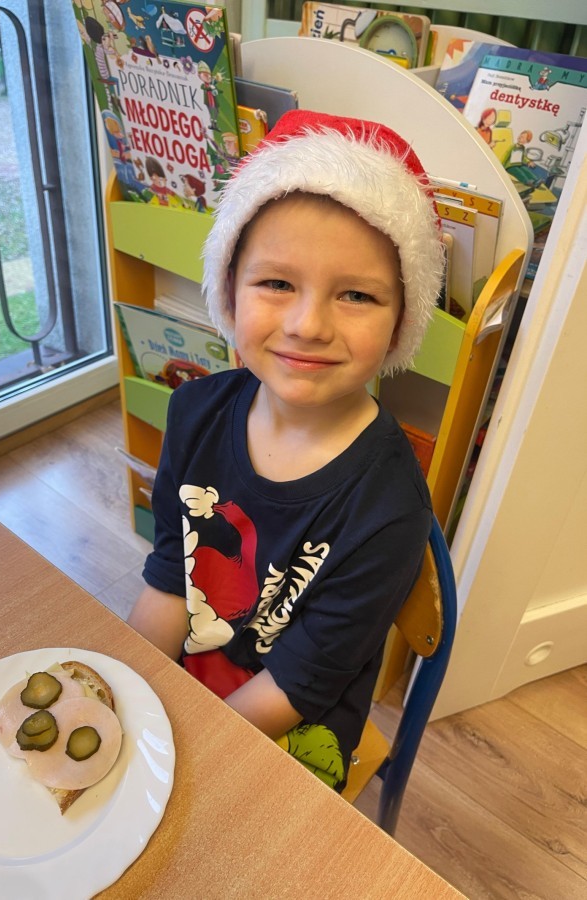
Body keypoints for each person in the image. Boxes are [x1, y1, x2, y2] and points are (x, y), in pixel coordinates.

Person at [128, 110, 444, 791]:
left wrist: (177, 752)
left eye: (355, 294)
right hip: (192, 689)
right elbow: (170, 576)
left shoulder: (390, 507)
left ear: (400, 323)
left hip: (293, 727)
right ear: (228, 288)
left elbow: (302, 682)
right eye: (276, 283)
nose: (307, 325)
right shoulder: (194, 412)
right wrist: (127, 696)